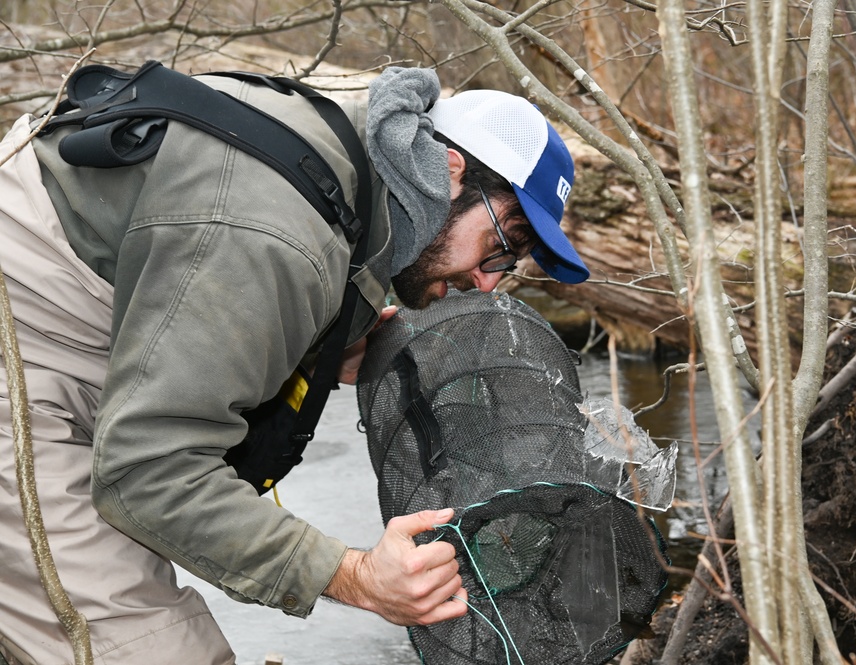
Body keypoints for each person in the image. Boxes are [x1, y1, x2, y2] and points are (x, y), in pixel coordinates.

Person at [0, 63, 588, 665]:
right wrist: (356, 576)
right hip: (22, 342)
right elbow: (147, 472)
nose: (489, 284)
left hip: (78, 330)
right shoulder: (274, 234)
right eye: (502, 246)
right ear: (449, 170)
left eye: (512, 265)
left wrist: (332, 339)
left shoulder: (367, 147)